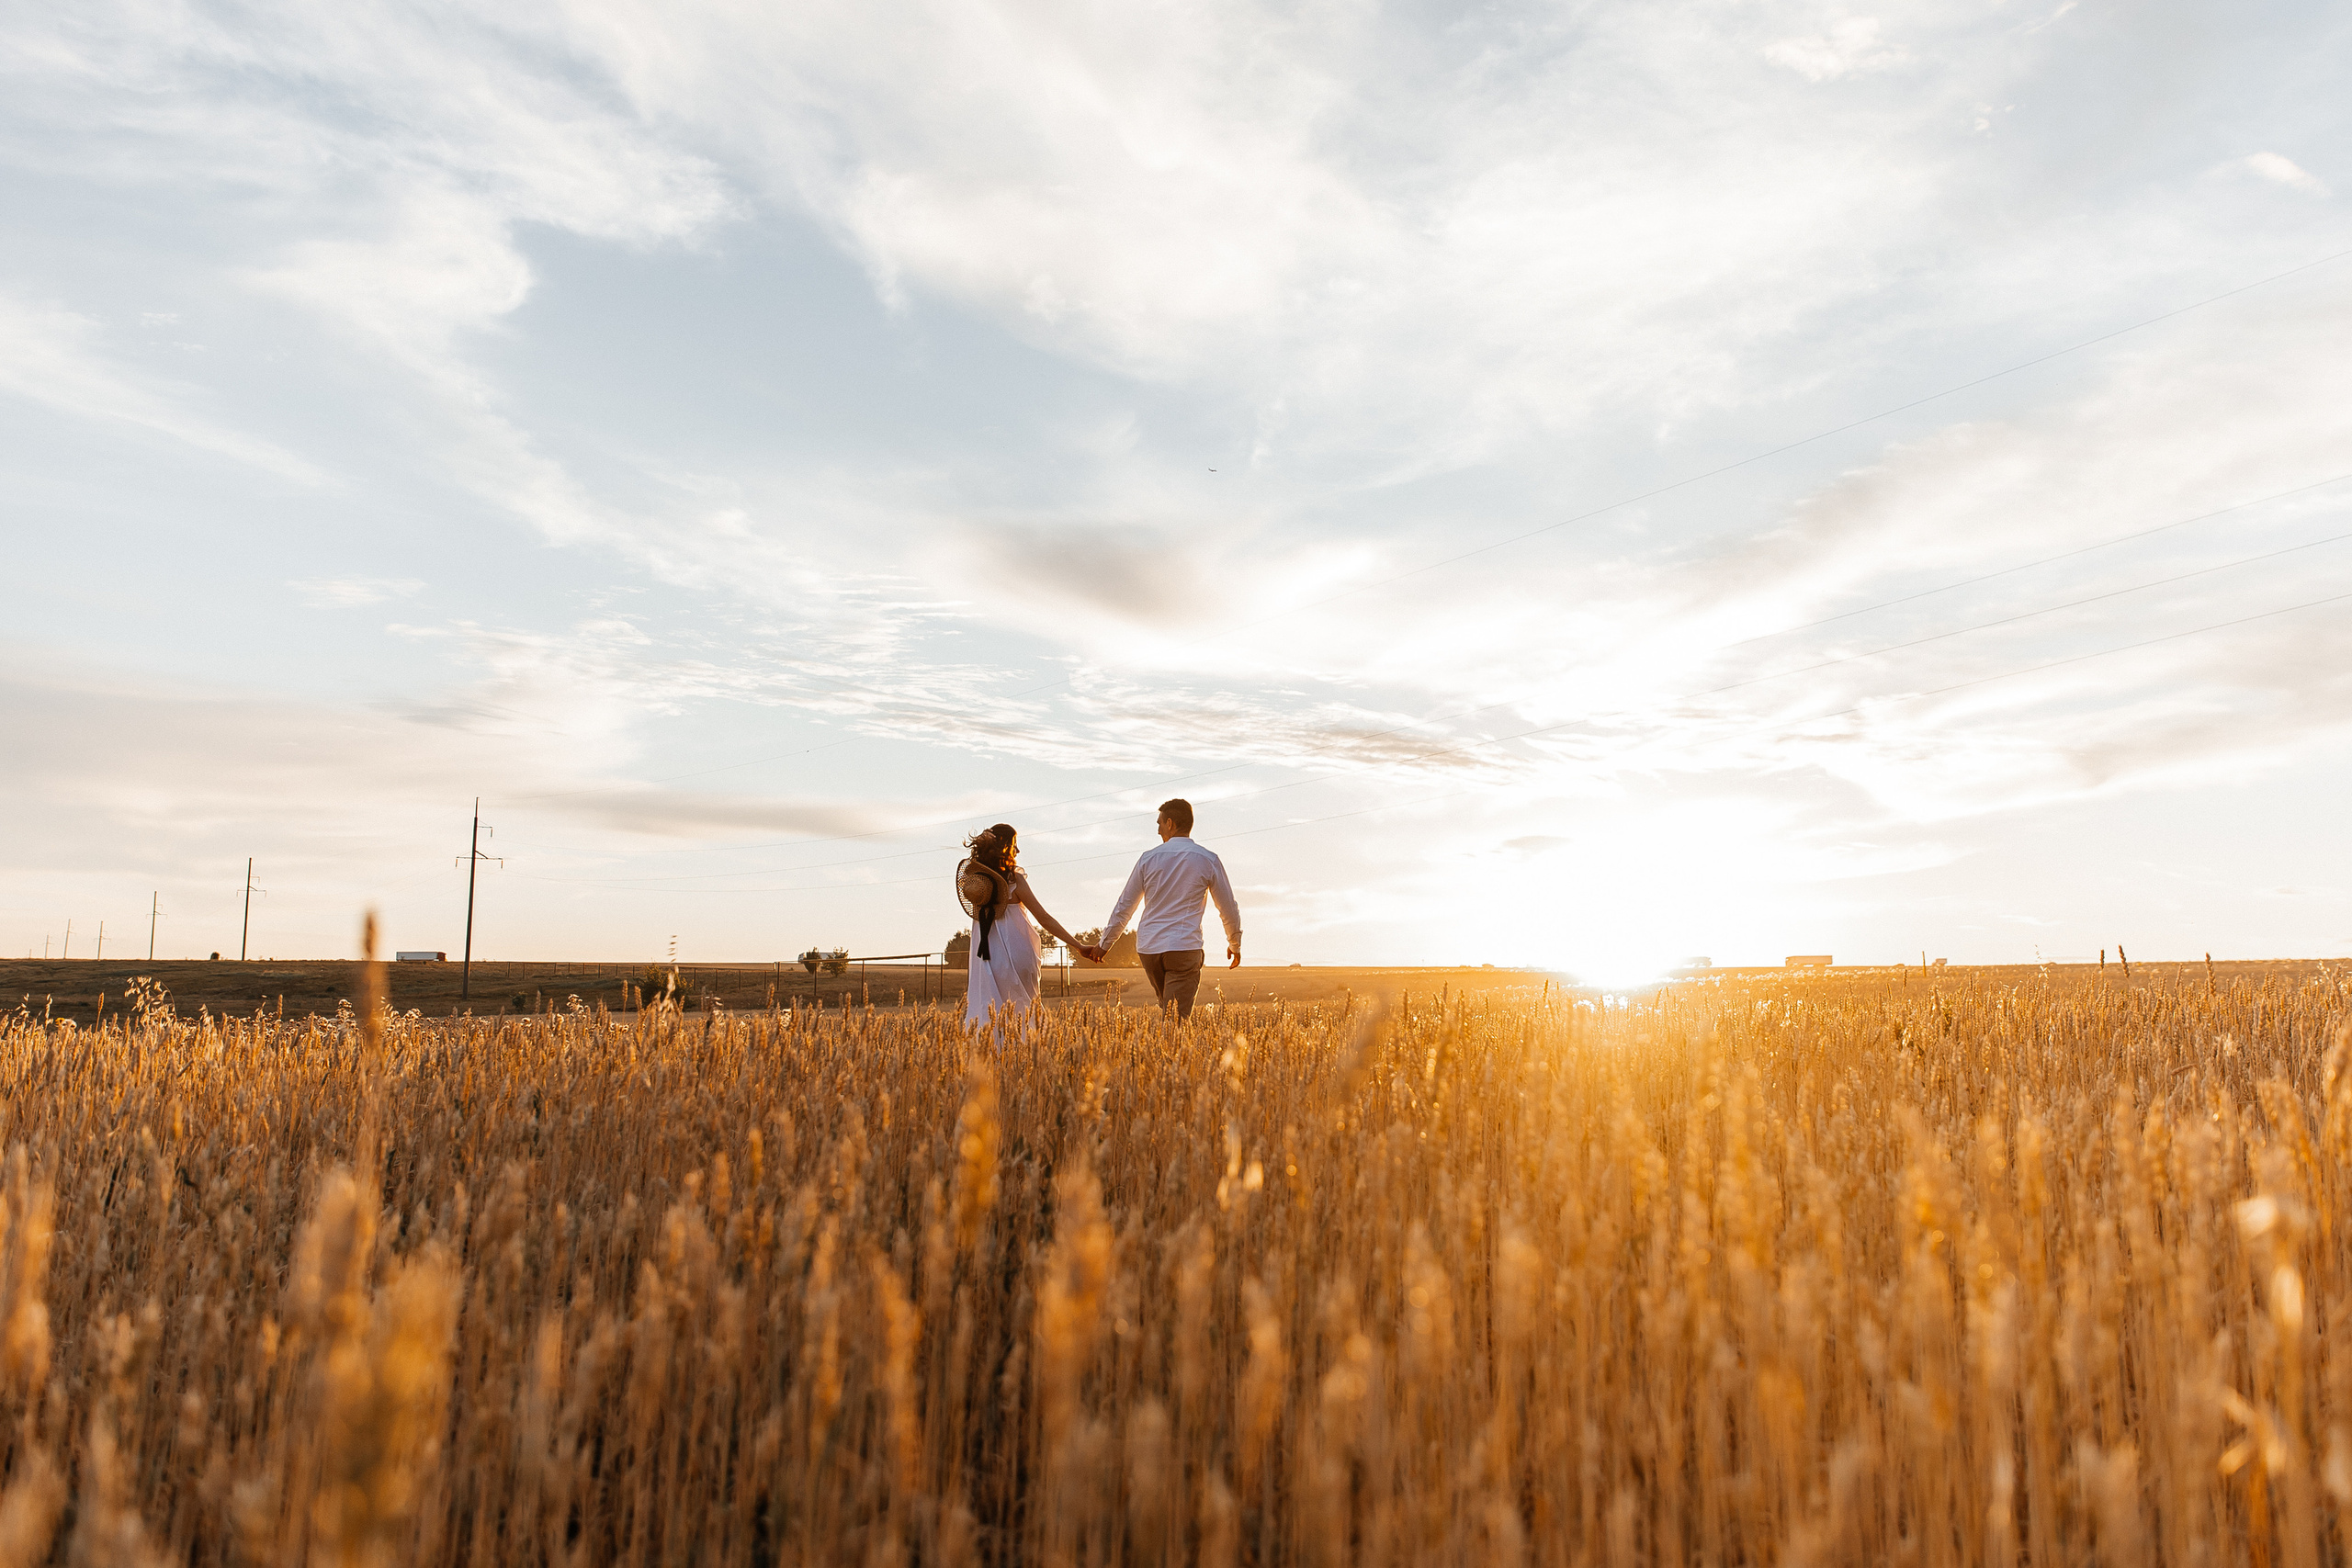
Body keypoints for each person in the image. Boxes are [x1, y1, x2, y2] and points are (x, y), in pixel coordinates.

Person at [1091, 797, 1241, 1021]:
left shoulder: (1148, 859)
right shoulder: (1208, 859)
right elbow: (1227, 907)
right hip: (1183, 948)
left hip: (1149, 950)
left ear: (1170, 823)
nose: (1158, 830)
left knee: (1169, 1013)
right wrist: (1234, 943)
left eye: (1159, 823)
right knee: (1176, 1020)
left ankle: (1163, 1052)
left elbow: (1125, 906)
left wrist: (1105, 944)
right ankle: (1170, 1052)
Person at [961, 824, 1093, 1026]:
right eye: (1015, 845)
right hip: (1018, 953)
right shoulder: (1014, 880)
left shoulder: (976, 884)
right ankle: (1023, 1053)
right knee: (1023, 1010)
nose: (1018, 851)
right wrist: (1078, 946)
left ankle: (991, 1055)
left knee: (988, 1012)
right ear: (1005, 847)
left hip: (986, 959)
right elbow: (1044, 918)